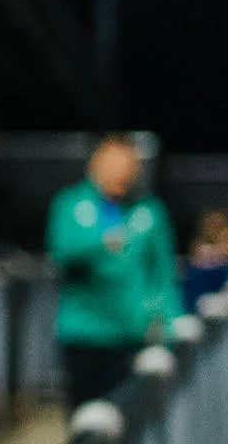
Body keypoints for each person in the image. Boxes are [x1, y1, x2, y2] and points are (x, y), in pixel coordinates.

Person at [46, 133, 183, 408]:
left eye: (128, 167)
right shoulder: (70, 203)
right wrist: (102, 244)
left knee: (126, 417)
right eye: (114, 166)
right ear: (96, 165)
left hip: (130, 335)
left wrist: (170, 326)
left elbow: (164, 272)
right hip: (83, 333)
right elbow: (61, 251)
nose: (122, 175)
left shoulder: (150, 211)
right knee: (84, 418)